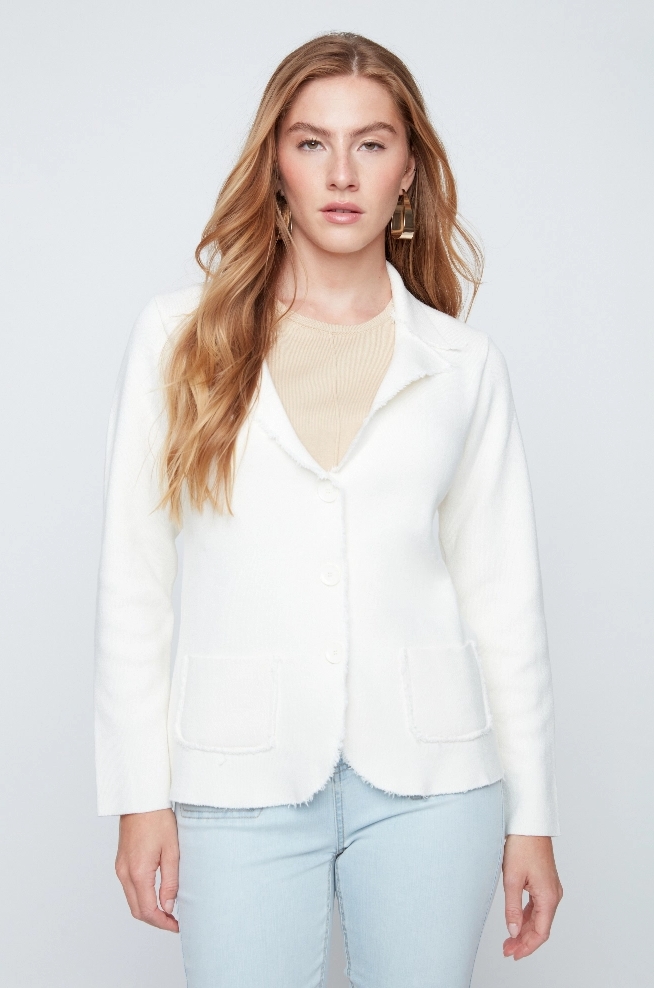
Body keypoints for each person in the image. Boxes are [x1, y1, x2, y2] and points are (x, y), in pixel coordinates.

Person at [94, 31, 563, 988]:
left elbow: (504, 603)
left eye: (371, 143)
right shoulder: (179, 339)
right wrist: (139, 797)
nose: (341, 174)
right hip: (238, 774)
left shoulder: (463, 365)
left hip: (434, 782)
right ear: (276, 163)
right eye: (312, 143)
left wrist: (534, 819)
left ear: (408, 170)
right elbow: (135, 582)